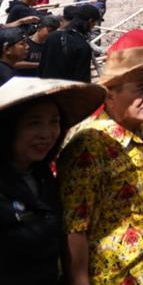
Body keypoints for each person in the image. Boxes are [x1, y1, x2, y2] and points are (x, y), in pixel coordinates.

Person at [58, 45, 143, 284]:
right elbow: (75, 227)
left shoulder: (142, 133)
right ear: (110, 94)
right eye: (141, 88)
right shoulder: (91, 143)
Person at [0, 78, 106, 285]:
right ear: (9, 128)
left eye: (54, 121)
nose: (47, 134)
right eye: (34, 123)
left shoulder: (43, 177)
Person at [38, 4, 101, 83]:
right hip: (67, 92)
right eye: (94, 23)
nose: (94, 26)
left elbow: (42, 66)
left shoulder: (52, 37)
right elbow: (82, 80)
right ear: (90, 21)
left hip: (45, 89)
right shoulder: (82, 46)